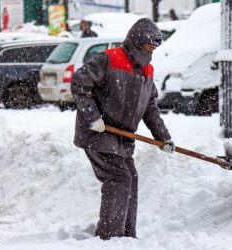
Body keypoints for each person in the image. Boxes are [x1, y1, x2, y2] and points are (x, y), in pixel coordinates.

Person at [71, 18, 175, 240]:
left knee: (131, 178)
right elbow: (79, 82)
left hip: (121, 139)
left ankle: (126, 236)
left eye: (155, 46)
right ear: (138, 40)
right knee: (119, 179)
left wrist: (163, 138)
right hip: (98, 133)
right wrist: (93, 118)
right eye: (150, 44)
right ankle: (110, 237)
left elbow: (150, 107)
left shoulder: (147, 70)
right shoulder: (109, 59)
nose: (153, 49)